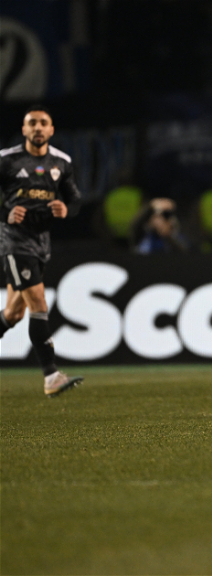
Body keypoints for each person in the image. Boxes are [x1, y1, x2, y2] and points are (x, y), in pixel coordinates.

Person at [0, 106, 83, 397]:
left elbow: (75, 199)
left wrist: (66, 209)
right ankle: (51, 376)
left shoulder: (61, 162)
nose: (37, 127)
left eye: (43, 123)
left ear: (51, 130)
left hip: (40, 242)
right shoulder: (7, 160)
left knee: (13, 313)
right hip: (13, 240)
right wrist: (6, 213)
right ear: (23, 129)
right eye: (32, 123)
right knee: (38, 301)